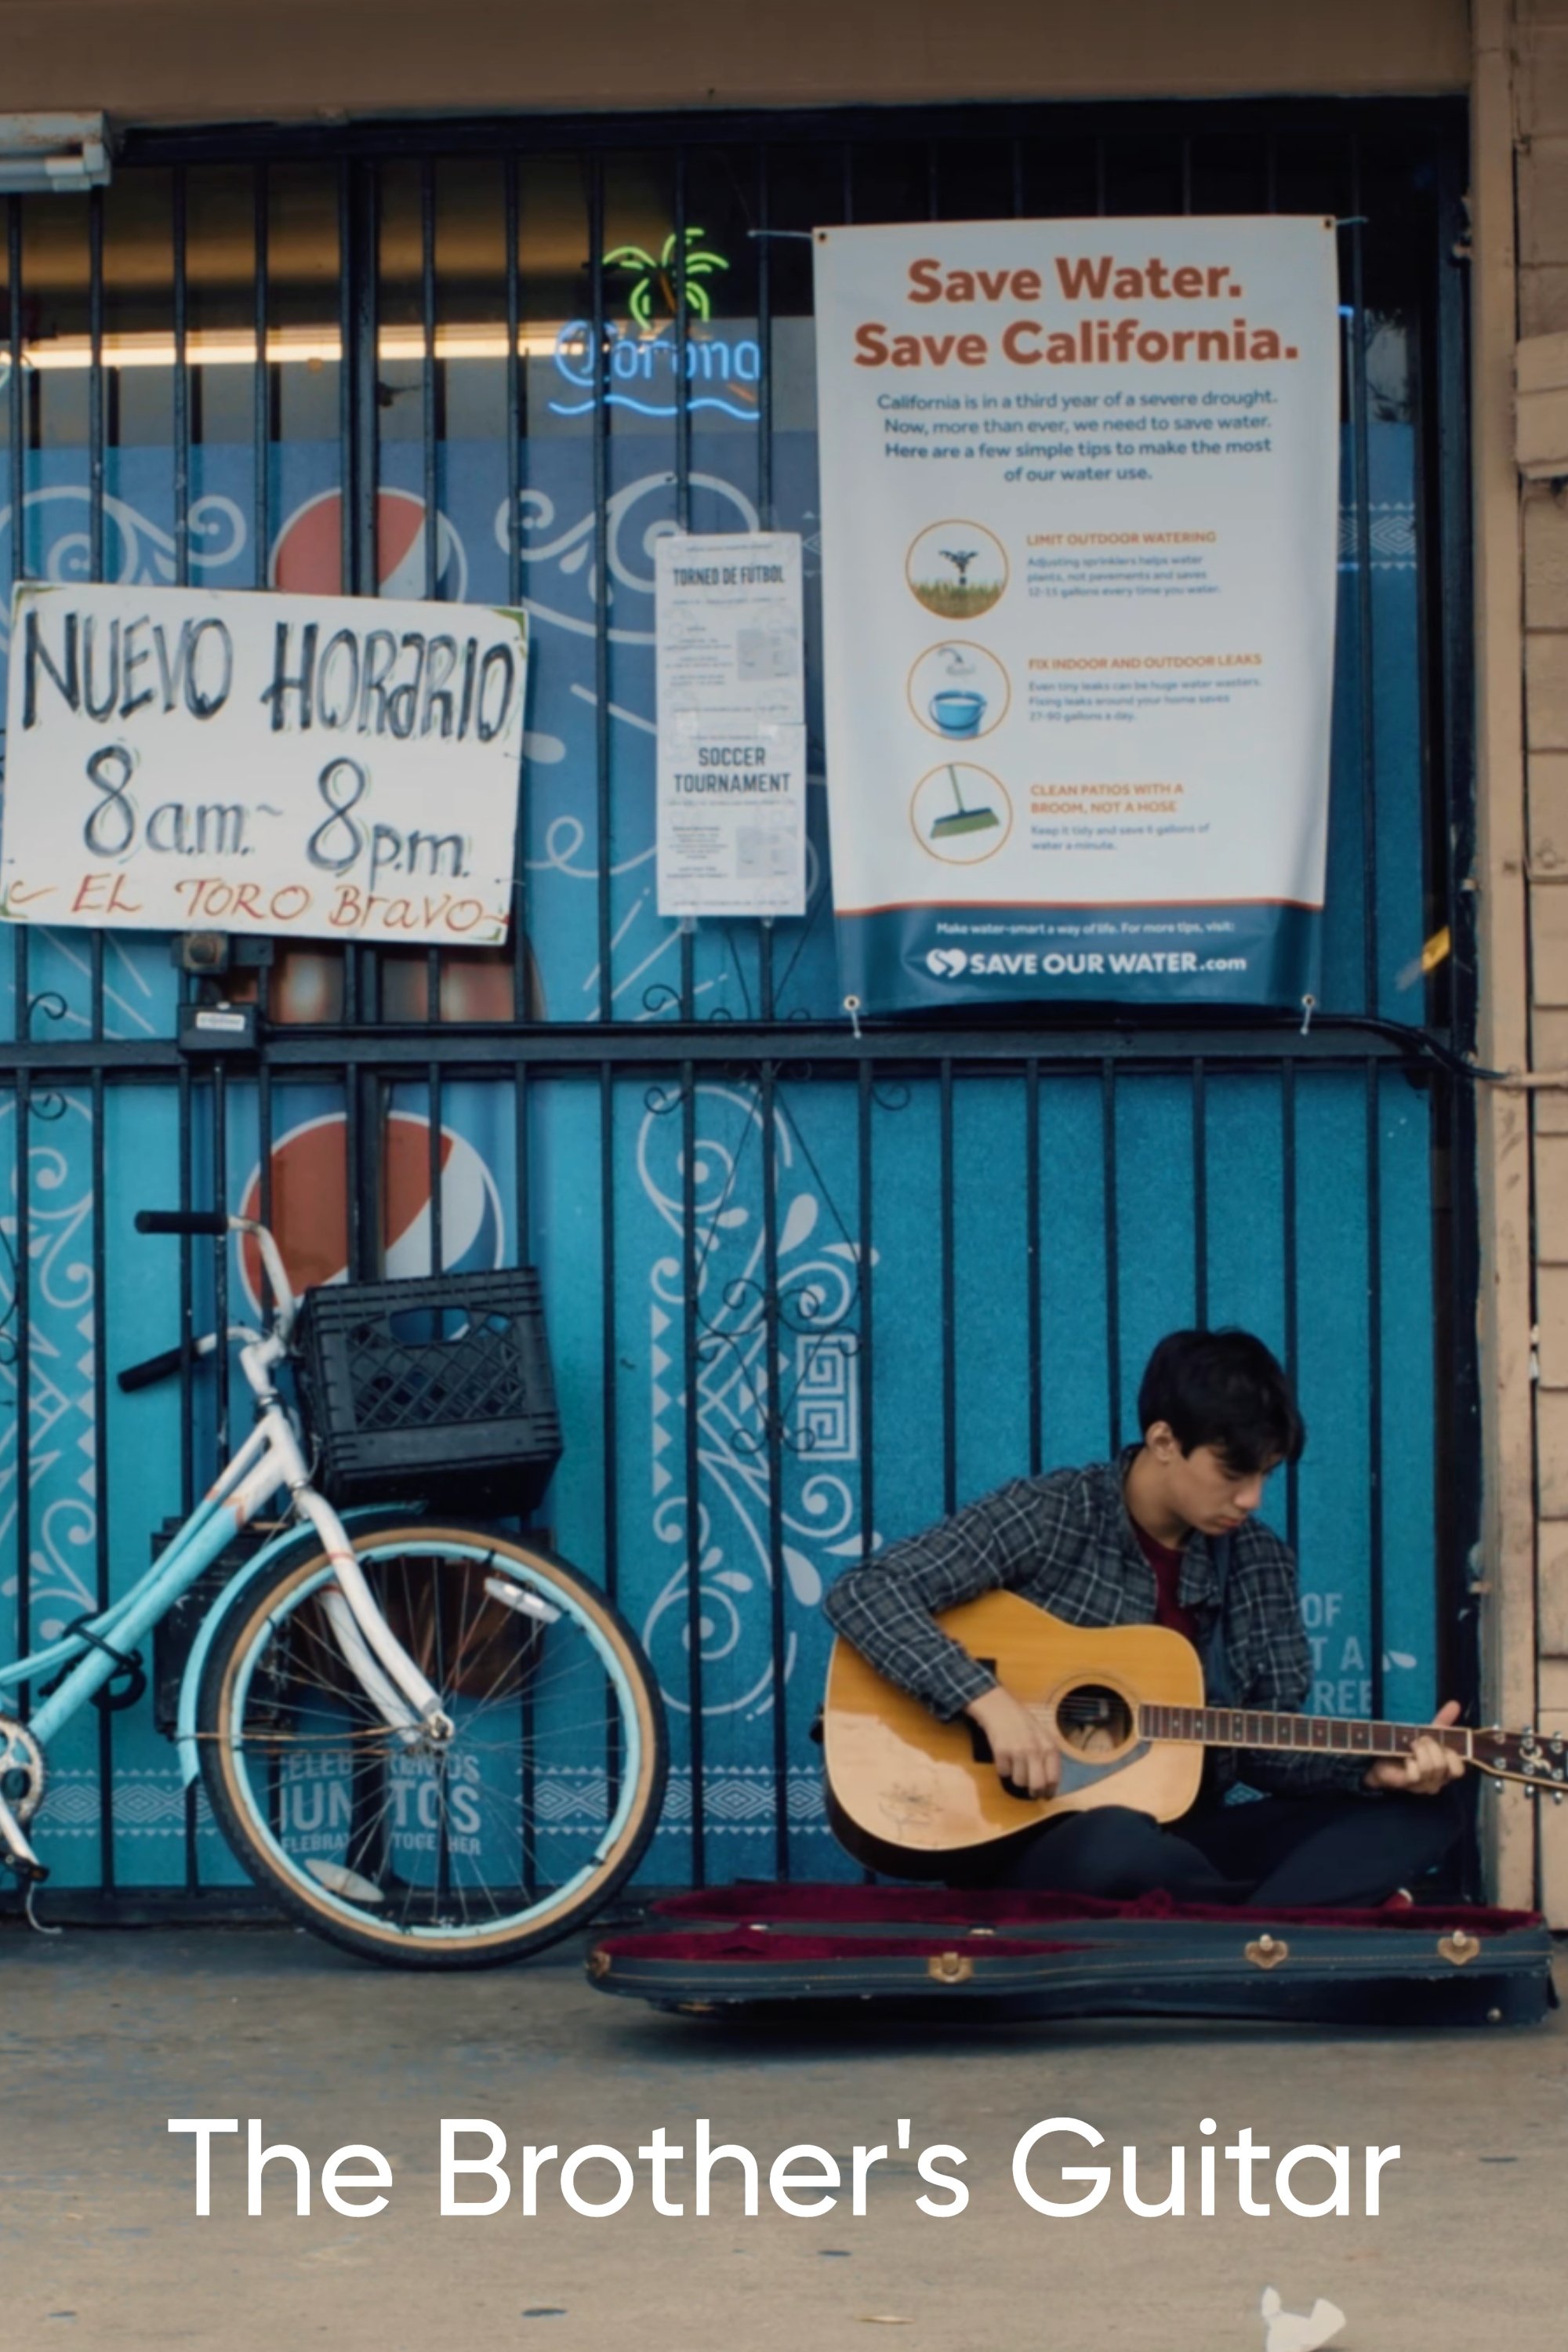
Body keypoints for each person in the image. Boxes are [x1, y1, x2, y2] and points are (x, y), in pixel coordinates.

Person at [822, 1329, 1466, 1906]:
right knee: (1118, 1848)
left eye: (1266, 1474)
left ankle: (1225, 1926)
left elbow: (1265, 1752)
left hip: (1180, 1835)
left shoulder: (1258, 1560)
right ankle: (1274, 1923)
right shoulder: (1054, 1514)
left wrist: (1371, 1771)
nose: (1251, 1498)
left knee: (1425, 1815)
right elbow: (866, 1592)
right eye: (1233, 1472)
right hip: (1040, 1836)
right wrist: (988, 1703)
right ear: (1164, 1440)